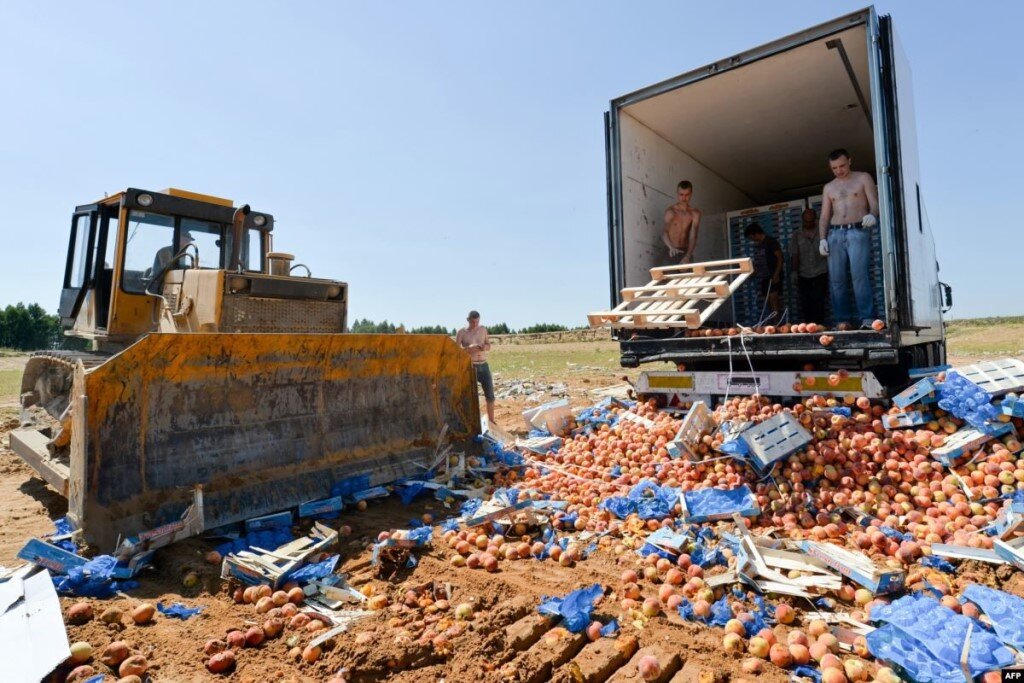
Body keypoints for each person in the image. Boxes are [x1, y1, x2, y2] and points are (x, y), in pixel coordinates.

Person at [818, 148, 879, 328]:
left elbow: (875, 204)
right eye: (834, 168)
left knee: (859, 276)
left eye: (842, 165)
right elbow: (824, 216)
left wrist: (872, 215)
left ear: (850, 161)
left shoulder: (863, 178)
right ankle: (842, 320)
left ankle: (867, 318)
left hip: (858, 231)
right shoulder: (829, 187)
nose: (839, 170)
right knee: (836, 279)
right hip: (835, 233)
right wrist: (822, 238)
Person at [455, 310, 495, 424]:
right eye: (473, 322)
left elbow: (489, 345)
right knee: (470, 397)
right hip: (470, 367)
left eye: (477, 322)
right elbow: (456, 352)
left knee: (490, 395)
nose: (475, 324)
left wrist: (484, 347)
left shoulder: (483, 330)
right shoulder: (461, 333)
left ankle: (492, 422)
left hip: (484, 365)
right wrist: (468, 349)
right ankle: (471, 423)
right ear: (468, 320)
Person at [790, 208, 829, 323]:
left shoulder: (823, 232)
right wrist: (794, 272)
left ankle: (819, 325)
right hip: (803, 273)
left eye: (810, 221)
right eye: (805, 221)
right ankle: (808, 326)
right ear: (802, 221)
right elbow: (795, 254)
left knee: (820, 300)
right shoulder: (796, 235)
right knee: (805, 302)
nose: (808, 224)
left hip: (821, 271)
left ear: (815, 220)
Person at [745, 222, 784, 321]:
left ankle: (778, 324)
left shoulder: (771, 241)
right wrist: (752, 274)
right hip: (764, 278)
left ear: (755, 234)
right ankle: (773, 324)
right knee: (768, 302)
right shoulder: (758, 246)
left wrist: (776, 274)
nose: (752, 240)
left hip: (773, 275)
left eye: (751, 237)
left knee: (773, 299)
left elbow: (780, 258)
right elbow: (759, 263)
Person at [662, 180, 702, 264]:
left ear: (691, 194)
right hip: (671, 250)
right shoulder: (671, 211)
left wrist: (688, 255)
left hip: (685, 251)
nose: (684, 198)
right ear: (677, 194)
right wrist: (671, 247)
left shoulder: (695, 214)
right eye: (681, 195)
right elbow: (664, 232)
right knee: (669, 277)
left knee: (689, 277)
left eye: (687, 195)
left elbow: (693, 236)